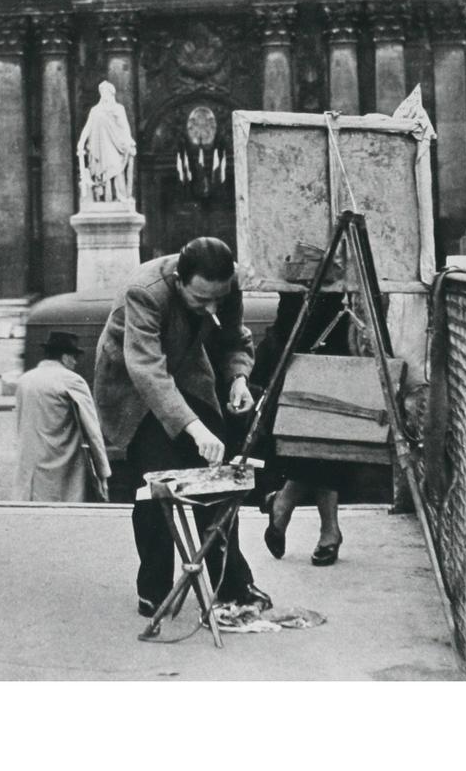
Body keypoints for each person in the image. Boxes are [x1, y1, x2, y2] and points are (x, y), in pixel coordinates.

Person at [93, 236, 271, 618]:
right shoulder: (144, 291)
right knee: (157, 484)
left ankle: (230, 585)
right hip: (133, 386)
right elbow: (148, 371)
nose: (211, 308)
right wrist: (194, 428)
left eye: (217, 301)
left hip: (187, 374)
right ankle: (154, 588)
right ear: (177, 280)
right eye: (200, 301)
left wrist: (238, 378)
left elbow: (232, 338)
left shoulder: (226, 285)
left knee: (218, 481)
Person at [252, 292, 355, 567]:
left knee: (328, 426)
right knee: (308, 425)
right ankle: (328, 528)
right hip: (299, 317)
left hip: (335, 319)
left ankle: (284, 502)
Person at [14, 330, 110, 502]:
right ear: (65, 357)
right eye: (74, 358)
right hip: (61, 467)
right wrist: (102, 472)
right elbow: (92, 430)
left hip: (29, 466)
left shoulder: (24, 380)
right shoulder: (71, 380)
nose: (75, 363)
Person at [76, 80, 136, 203]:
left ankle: (120, 196)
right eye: (102, 92)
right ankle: (104, 199)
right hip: (99, 146)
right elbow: (88, 127)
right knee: (102, 173)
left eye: (106, 92)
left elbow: (124, 127)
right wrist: (81, 141)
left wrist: (129, 141)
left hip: (115, 145)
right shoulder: (95, 110)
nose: (104, 95)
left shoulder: (119, 109)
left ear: (111, 93)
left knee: (116, 168)